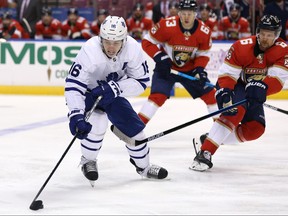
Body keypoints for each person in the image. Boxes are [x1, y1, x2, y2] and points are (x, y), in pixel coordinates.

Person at [64, 15, 168, 185]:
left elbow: (141, 82)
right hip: (90, 94)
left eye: (116, 42)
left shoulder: (133, 49)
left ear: (124, 40)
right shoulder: (90, 50)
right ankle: (88, 161)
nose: (111, 47)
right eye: (107, 41)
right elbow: (74, 84)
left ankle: (144, 167)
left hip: (113, 95)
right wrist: (76, 114)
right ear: (100, 38)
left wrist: (115, 88)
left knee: (135, 130)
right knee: (96, 125)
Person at [190, 14, 288, 172]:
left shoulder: (283, 51)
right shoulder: (242, 46)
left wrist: (262, 88)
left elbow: (278, 80)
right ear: (257, 32)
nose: (265, 38)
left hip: (256, 90)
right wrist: (225, 92)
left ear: (276, 36)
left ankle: (209, 139)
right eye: (262, 33)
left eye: (269, 35)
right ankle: (205, 152)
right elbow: (228, 75)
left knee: (255, 129)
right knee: (233, 112)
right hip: (236, 85)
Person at [138, 0, 218, 125]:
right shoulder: (166, 26)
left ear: (195, 14)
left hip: (190, 70)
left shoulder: (204, 31)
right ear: (179, 13)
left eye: (190, 13)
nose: (186, 17)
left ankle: (221, 130)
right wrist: (159, 56)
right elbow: (147, 41)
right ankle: (135, 127)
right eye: (183, 13)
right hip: (166, 67)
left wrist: (199, 69)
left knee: (211, 95)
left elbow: (203, 54)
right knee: (157, 97)